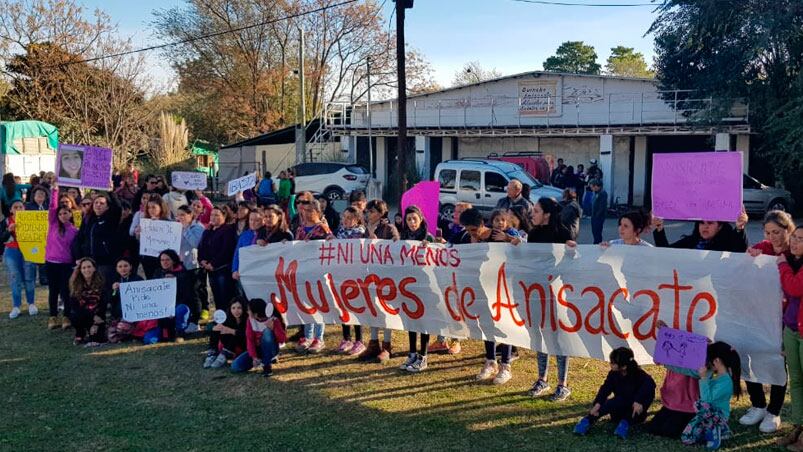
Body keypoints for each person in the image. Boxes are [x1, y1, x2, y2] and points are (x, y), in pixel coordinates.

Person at [739, 211, 794, 434]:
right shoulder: (765, 247)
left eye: (778, 232)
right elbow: (746, 266)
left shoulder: (795, 251)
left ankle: (774, 411)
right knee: (750, 356)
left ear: (788, 230)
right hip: (760, 314)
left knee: (777, 362)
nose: (773, 237)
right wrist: (750, 255)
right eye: (769, 232)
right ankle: (758, 404)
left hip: (785, 317)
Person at [461, 207, 515, 384]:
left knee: (504, 325)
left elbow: (521, 248)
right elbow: (446, 248)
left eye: (474, 230)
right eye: (468, 230)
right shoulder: (466, 238)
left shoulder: (497, 237)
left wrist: (509, 239)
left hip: (501, 289)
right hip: (479, 288)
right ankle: (490, 360)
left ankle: (505, 365)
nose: (472, 234)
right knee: (486, 325)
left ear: (482, 225)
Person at [526, 197, 573, 401]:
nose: (532, 214)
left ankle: (563, 383)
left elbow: (570, 262)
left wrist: (573, 250)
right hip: (537, 292)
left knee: (559, 336)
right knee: (540, 333)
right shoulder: (533, 233)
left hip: (557, 292)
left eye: (536, 211)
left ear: (547, 214)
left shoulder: (563, 233)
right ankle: (542, 378)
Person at [573, 347, 656, 439]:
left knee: (633, 411)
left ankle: (625, 424)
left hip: (635, 409)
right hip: (619, 404)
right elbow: (605, 389)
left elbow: (650, 387)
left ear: (624, 366)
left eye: (613, 363)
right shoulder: (613, 374)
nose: (610, 364)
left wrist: (638, 401)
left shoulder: (640, 375)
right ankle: (588, 419)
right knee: (610, 403)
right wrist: (598, 403)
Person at [680, 342, 742, 450]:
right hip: (709, 414)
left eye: (710, 360)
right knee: (687, 436)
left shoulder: (726, 381)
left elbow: (706, 399)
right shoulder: (720, 377)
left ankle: (715, 431)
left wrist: (703, 378)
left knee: (689, 436)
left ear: (717, 361)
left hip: (717, 415)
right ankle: (715, 430)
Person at [361, 199, 401, 362]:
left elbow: (396, 249)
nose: (368, 214)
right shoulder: (366, 229)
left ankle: (387, 344)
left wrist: (377, 241)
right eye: (367, 211)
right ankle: (373, 342)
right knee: (373, 308)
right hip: (370, 273)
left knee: (386, 309)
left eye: (372, 211)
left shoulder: (389, 228)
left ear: (381, 213)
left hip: (386, 275)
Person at [399, 205, 434, 373]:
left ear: (421, 219)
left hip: (425, 285)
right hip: (408, 285)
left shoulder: (429, 238)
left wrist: (432, 246)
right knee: (411, 320)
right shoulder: (403, 238)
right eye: (409, 220)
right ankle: (412, 353)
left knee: (424, 321)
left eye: (414, 219)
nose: (412, 222)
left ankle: (423, 356)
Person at [776, 227, 803, 449]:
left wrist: (782, 265)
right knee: (795, 379)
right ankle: (799, 425)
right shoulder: (792, 260)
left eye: (800, 239)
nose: (795, 242)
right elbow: (766, 246)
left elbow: (794, 288)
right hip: (791, 329)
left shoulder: (788, 264)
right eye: (793, 237)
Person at [294, 199, 332, 353]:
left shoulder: (322, 229)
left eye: (310, 211)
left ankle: (319, 337)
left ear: (318, 212)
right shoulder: (301, 229)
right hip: (304, 271)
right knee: (306, 303)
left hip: (319, 271)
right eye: (305, 210)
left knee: (319, 303)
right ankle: (308, 335)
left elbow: (332, 243)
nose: (307, 214)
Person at [332, 206, 368, 356]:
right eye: (344, 217)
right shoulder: (339, 232)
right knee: (342, 307)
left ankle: (359, 340)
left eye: (349, 218)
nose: (345, 220)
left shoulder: (360, 233)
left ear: (357, 219)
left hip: (355, 275)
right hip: (341, 274)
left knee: (356, 306)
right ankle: (346, 338)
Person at [71, 192, 122, 291]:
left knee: (105, 289)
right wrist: (78, 256)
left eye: (102, 203)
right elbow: (79, 238)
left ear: (107, 207)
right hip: (89, 261)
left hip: (105, 262)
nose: (98, 205)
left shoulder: (111, 219)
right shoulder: (88, 220)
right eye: (96, 203)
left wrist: (111, 192)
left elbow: (118, 208)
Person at [45, 186, 79, 329]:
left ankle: (66, 316)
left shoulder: (74, 231)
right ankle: (53, 316)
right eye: (61, 214)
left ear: (70, 214)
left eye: (66, 213)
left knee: (66, 291)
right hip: (51, 263)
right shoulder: (53, 224)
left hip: (66, 264)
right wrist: (54, 190)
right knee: (53, 290)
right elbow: (52, 207)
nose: (63, 216)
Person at [231, 298, 287, 377]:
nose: (247, 312)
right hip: (258, 350)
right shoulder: (250, 320)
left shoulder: (273, 320)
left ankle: (267, 366)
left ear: (256, 314)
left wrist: (273, 328)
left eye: (249, 310)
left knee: (267, 332)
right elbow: (250, 340)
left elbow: (282, 339)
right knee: (235, 366)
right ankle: (261, 361)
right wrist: (254, 357)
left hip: (271, 349)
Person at [1, 200, 38, 318]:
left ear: (24, 208)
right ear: (11, 210)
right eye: (15, 207)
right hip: (12, 251)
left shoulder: (31, 219)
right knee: (15, 278)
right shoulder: (5, 221)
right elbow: (1, 238)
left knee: (29, 277)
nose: (18, 209)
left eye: (20, 207)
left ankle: (31, 303)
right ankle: (16, 306)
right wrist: (8, 231)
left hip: (28, 250)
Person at [198, 207, 238, 313]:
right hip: (211, 270)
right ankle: (220, 318)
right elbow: (201, 247)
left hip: (222, 269)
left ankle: (228, 318)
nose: (213, 217)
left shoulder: (228, 230)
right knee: (216, 296)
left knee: (225, 296)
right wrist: (202, 260)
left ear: (224, 216)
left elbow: (226, 250)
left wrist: (213, 263)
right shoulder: (208, 231)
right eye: (212, 215)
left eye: (217, 215)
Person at [652, 211, 748, 252]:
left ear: (720, 227)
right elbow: (665, 253)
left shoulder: (727, 245)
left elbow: (739, 251)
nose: (705, 227)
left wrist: (740, 228)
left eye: (710, 223)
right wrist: (659, 229)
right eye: (701, 223)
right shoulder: (690, 241)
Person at [154, 249, 195, 339]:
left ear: (174, 260)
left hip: (178, 304)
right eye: (162, 260)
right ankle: (164, 333)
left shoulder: (184, 274)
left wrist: (176, 281)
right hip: (161, 306)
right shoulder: (157, 273)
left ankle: (180, 332)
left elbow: (188, 295)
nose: (164, 262)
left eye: (167, 260)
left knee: (182, 309)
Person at [68, 257, 107, 347]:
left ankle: (92, 331)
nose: (87, 270)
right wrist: (92, 317)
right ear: (80, 270)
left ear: (94, 268)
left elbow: (103, 305)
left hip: (98, 316)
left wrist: (96, 323)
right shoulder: (75, 285)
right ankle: (80, 333)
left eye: (89, 267)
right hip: (83, 316)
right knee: (74, 316)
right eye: (84, 268)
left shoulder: (102, 284)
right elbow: (75, 307)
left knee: (98, 339)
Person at [176, 205, 204, 327]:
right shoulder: (177, 227)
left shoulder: (197, 227)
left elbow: (196, 243)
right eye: (178, 215)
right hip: (181, 265)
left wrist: (186, 229)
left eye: (183, 215)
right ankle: (186, 318)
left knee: (194, 293)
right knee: (185, 293)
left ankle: (195, 320)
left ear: (190, 215)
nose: (180, 218)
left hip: (194, 265)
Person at [133, 195, 171, 279]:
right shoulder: (145, 222)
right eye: (149, 207)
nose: (151, 210)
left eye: (154, 207)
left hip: (163, 260)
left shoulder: (168, 223)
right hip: (148, 259)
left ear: (161, 207)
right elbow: (141, 242)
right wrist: (138, 234)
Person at [204, 297, 247, 369]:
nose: (236, 311)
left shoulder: (247, 319)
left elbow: (246, 334)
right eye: (233, 308)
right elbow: (209, 326)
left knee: (236, 334)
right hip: (227, 344)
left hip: (242, 345)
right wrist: (213, 327)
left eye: (239, 308)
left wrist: (230, 330)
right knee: (217, 329)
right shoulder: (226, 318)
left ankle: (224, 355)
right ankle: (213, 353)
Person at [232, 209, 266, 282]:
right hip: (245, 272)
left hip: (261, 273)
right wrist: (235, 269)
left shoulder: (267, 234)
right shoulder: (244, 235)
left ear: (263, 221)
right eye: (251, 220)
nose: (253, 223)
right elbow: (237, 253)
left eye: (256, 220)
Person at [588, 179, 607, 244]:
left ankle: (597, 243)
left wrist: (597, 215)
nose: (591, 189)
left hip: (599, 216)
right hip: (594, 215)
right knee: (594, 231)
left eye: (592, 187)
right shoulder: (595, 193)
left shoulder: (602, 193)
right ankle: (596, 242)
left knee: (597, 232)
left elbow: (602, 206)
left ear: (596, 186)